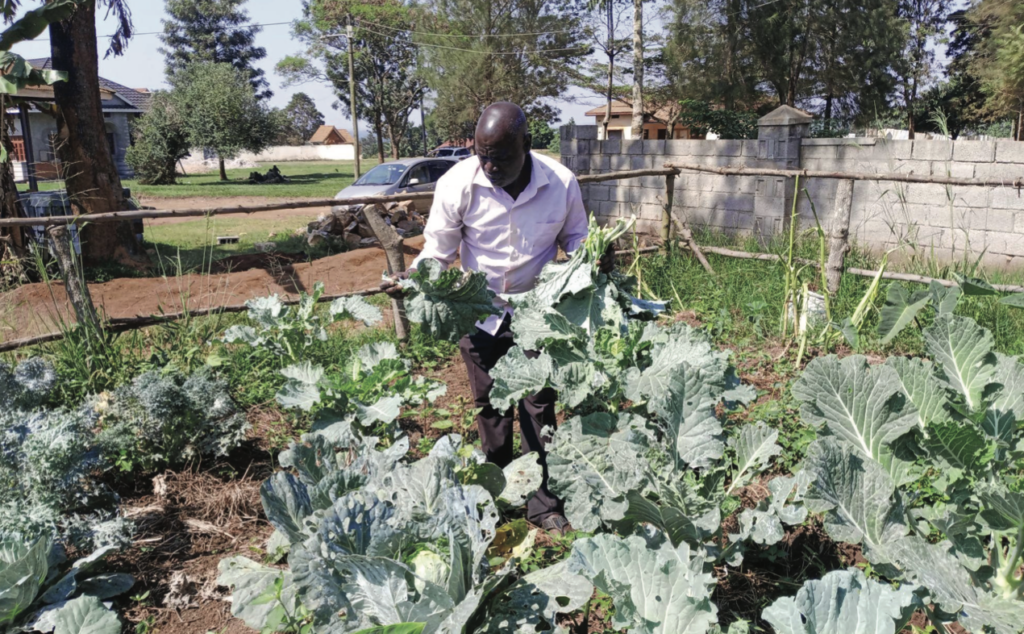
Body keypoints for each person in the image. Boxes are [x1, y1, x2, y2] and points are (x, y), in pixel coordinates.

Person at [382, 102, 613, 536]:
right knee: (490, 405)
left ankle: (542, 503)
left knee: (539, 406)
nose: (489, 167)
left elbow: (576, 238)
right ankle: (497, 492)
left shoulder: (560, 183)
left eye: (501, 158)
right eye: (482, 155)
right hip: (478, 309)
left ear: (527, 144)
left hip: (539, 312)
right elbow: (438, 251)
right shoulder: (457, 183)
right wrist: (413, 278)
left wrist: (595, 255)